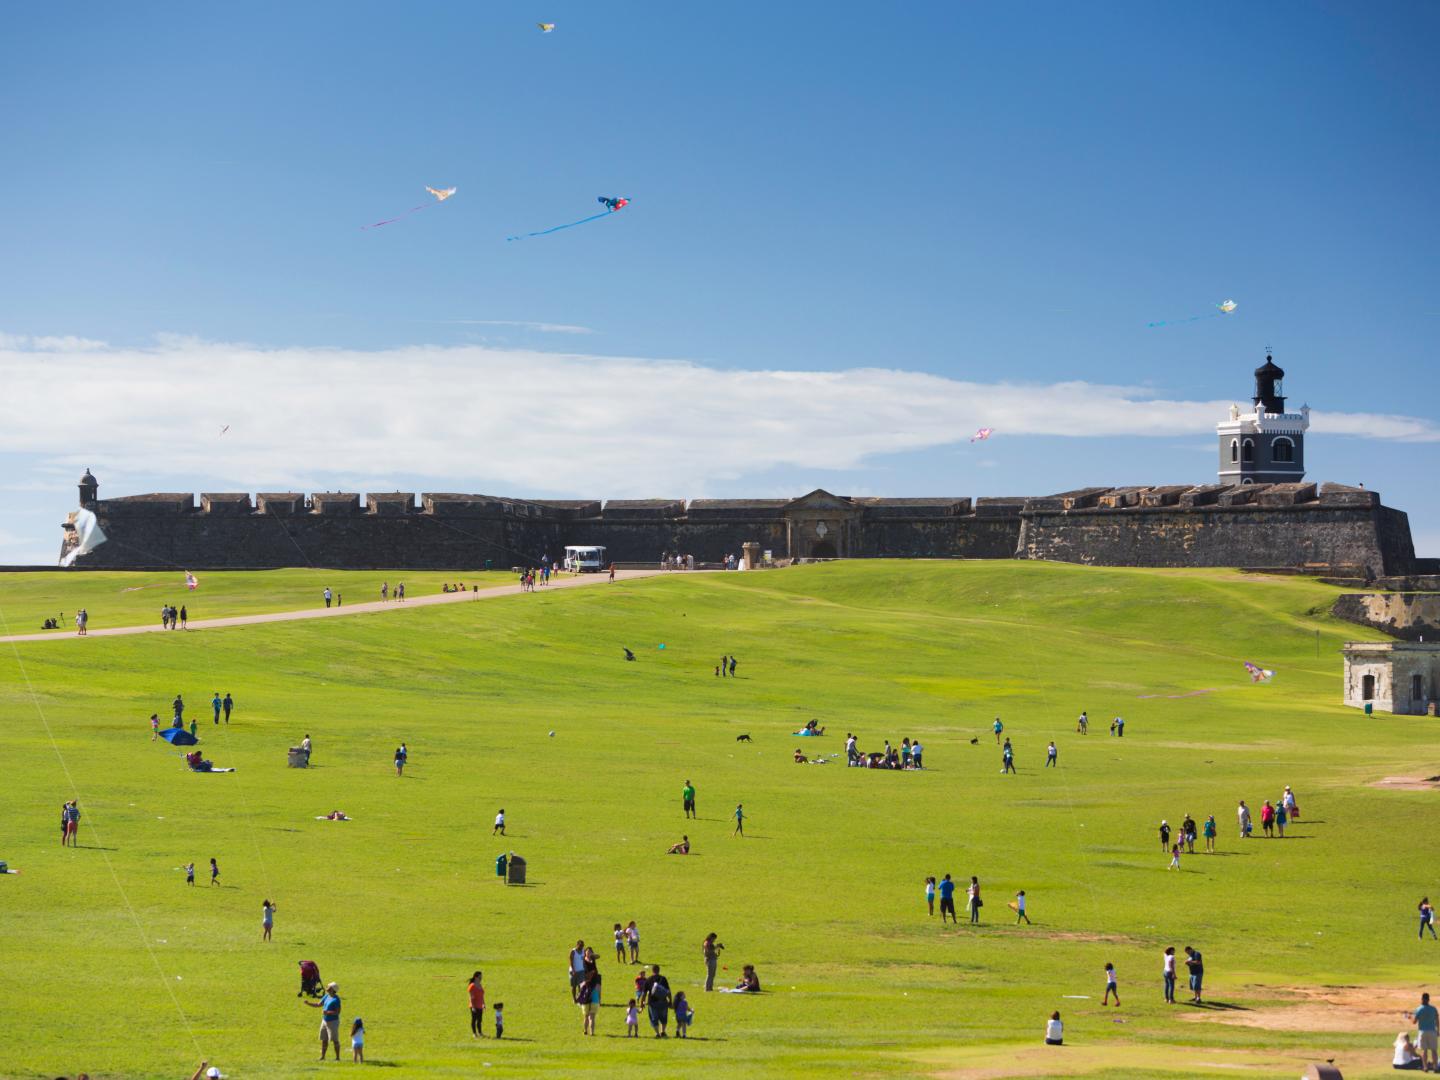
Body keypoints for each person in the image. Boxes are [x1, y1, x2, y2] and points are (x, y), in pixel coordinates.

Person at [305, 981, 343, 1060]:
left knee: (335, 1040)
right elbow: (319, 1004)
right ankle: (322, 1057)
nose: (327, 988)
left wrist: (327, 1012)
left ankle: (337, 1058)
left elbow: (337, 1012)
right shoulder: (326, 996)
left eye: (329, 987)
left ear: (333, 989)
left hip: (333, 1022)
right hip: (325, 1021)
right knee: (324, 1039)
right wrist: (308, 1003)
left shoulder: (336, 1000)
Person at [1409, 992, 1439, 1072]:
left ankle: (1425, 1067)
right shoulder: (1433, 1008)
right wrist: (1438, 1030)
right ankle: (1435, 1067)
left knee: (1424, 1050)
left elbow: (1414, 1022)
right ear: (1428, 1000)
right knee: (1434, 1050)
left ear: (1422, 999)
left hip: (1422, 1032)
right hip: (1432, 1031)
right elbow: (1437, 1020)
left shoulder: (1419, 1009)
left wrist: (1409, 1017)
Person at [646, 965, 671, 1036]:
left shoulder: (648, 979)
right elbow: (668, 991)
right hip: (663, 1001)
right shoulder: (663, 979)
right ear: (659, 970)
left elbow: (644, 993)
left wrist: (642, 1003)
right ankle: (663, 1031)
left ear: (652, 970)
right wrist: (670, 1001)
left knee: (654, 1018)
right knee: (664, 1018)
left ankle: (657, 1033)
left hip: (652, 1003)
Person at [468, 971, 486, 1036]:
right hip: (474, 1006)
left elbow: (482, 995)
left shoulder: (480, 985)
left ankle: (480, 1033)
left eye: (481, 977)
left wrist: (483, 1004)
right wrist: (473, 1007)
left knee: (479, 1020)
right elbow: (471, 997)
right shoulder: (472, 986)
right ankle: (474, 1033)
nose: (481, 979)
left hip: (479, 1005)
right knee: (474, 1020)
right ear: (475, 977)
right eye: (479, 977)